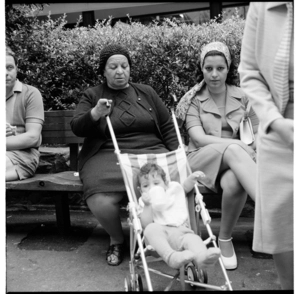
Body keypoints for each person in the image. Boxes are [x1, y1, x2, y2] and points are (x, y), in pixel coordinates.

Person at [70, 44, 179, 266]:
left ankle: (157, 235)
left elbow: (167, 125)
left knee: (162, 188)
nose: (120, 71)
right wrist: (96, 113)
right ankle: (117, 239)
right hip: (108, 153)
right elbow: (77, 127)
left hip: (150, 151)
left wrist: (177, 152)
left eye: (124, 65)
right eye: (113, 66)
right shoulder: (92, 95)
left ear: (130, 68)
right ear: (104, 71)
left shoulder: (146, 92)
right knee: (100, 197)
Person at [175, 41, 259, 270]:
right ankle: (270, 211)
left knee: (234, 180)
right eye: (208, 68)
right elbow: (199, 139)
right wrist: (238, 145)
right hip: (200, 160)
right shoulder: (192, 99)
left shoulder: (243, 97)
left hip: (237, 161)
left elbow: (256, 134)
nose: (214, 74)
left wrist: (247, 147)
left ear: (228, 68)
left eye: (220, 68)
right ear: (201, 69)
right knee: (233, 149)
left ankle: (224, 239)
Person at [238, 2, 293, 290]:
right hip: (279, 129)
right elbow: (249, 71)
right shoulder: (262, 5)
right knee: (283, 233)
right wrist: (274, 121)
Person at [137, 162, 220, 270]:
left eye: (156, 183)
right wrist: (148, 205)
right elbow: (146, 224)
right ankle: (171, 257)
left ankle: (202, 258)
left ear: (166, 183)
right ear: (140, 190)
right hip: (159, 238)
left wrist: (192, 178)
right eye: (146, 186)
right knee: (150, 228)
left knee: (193, 238)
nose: (151, 188)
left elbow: (184, 188)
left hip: (181, 233)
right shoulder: (144, 201)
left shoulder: (172, 191)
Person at [6, 47, 44, 182]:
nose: (5, 73)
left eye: (9, 67)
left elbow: (33, 137)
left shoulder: (31, 93)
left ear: (17, 69)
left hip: (22, 155)